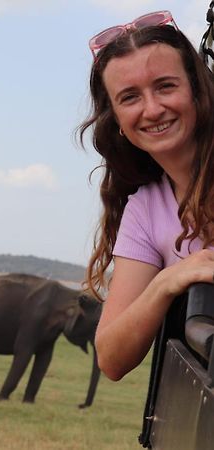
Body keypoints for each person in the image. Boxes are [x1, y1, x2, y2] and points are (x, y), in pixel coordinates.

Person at [78, 10, 214, 382]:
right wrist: (167, 282)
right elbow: (111, 358)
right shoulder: (145, 209)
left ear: (198, 90)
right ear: (116, 121)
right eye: (130, 97)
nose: (152, 109)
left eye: (166, 86)